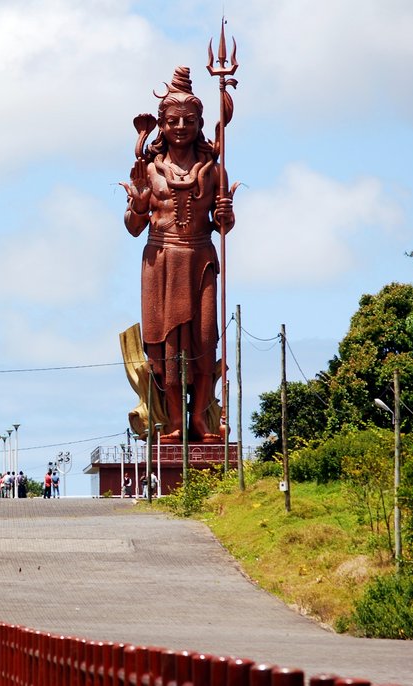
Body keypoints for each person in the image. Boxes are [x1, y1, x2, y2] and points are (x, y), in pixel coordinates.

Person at [121, 66, 234, 442]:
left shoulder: (213, 169)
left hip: (200, 258)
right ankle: (172, 420)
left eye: (189, 120)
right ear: (162, 125)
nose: (181, 126)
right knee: (166, 346)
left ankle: (200, 419)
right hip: (162, 260)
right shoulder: (149, 169)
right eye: (172, 121)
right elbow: (134, 227)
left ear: (201, 123)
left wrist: (225, 216)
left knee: (204, 341)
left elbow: (224, 226)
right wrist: (138, 205)